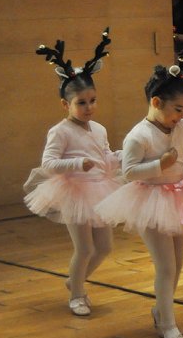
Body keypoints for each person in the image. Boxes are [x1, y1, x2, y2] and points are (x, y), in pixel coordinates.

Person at [95, 52, 183, 338]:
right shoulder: (139, 136)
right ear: (155, 103)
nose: (182, 116)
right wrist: (159, 166)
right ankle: (168, 324)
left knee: (177, 264)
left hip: (178, 196)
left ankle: (161, 310)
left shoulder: (182, 128)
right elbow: (128, 172)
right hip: (150, 200)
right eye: (178, 109)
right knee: (165, 265)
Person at [25, 29, 121, 316]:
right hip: (74, 191)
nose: (89, 107)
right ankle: (77, 294)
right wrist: (77, 164)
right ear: (66, 105)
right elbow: (48, 164)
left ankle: (74, 280)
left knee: (104, 247)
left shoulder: (99, 128)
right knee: (85, 248)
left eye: (92, 100)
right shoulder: (60, 131)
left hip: (100, 188)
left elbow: (103, 155)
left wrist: (119, 157)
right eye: (81, 103)